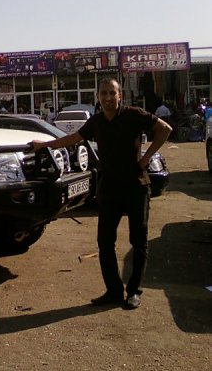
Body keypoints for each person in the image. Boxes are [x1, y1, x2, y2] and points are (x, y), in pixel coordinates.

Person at [30, 77, 172, 310]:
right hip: (110, 189)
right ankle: (114, 291)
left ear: (119, 95)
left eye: (112, 93)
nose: (108, 98)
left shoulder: (133, 115)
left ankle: (134, 291)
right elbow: (73, 139)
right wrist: (44, 145)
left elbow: (165, 130)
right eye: (103, 93)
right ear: (98, 97)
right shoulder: (96, 122)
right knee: (105, 242)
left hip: (136, 187)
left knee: (138, 241)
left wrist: (146, 159)